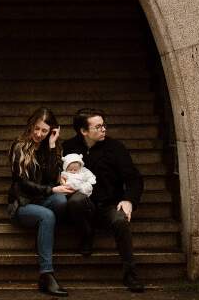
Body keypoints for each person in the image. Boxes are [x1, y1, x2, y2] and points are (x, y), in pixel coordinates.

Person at [64, 108, 145, 292]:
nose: (104, 129)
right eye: (98, 127)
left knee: (120, 220)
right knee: (76, 201)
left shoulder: (115, 148)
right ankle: (86, 235)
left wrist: (129, 200)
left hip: (110, 204)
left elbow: (134, 178)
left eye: (104, 125)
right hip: (84, 206)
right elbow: (58, 173)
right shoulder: (69, 147)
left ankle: (131, 274)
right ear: (83, 131)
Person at [8, 107, 75, 297]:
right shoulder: (19, 147)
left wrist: (52, 146)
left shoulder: (51, 147)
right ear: (31, 125)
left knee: (61, 201)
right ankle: (46, 275)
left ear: (51, 131)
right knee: (48, 215)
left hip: (42, 200)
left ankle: (45, 233)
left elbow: (52, 177)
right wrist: (51, 190)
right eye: (36, 128)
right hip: (22, 204)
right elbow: (22, 182)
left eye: (44, 131)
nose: (39, 134)